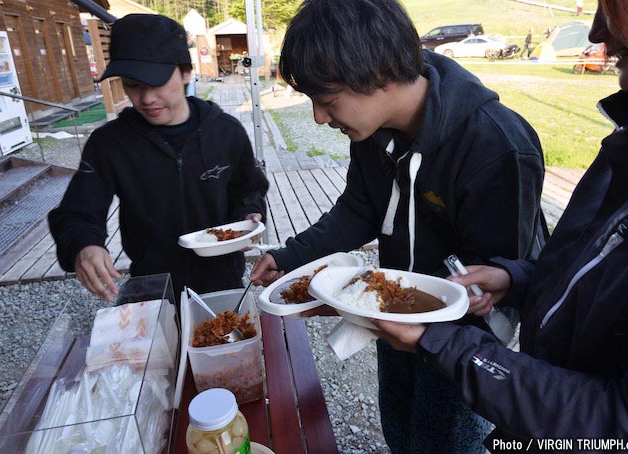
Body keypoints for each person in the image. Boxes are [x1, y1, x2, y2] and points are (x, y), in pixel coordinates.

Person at [249, 0, 547, 452]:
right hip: (391, 318)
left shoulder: (495, 147)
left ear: (381, 73)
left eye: (327, 101)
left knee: (441, 442)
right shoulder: (373, 132)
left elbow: (500, 270)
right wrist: (290, 257)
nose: (319, 118)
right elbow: (358, 209)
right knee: (400, 433)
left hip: (459, 345)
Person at [373, 0, 628, 450]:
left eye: (615, 10)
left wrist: (444, 344)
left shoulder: (496, 145)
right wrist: (516, 278)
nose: (598, 33)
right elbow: (593, 276)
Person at [48, 14, 268, 302]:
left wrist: (249, 215)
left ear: (186, 72)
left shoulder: (226, 132)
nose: (147, 98)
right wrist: (84, 245)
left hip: (223, 281)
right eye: (133, 84)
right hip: (152, 286)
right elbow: (77, 213)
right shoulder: (109, 143)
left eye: (158, 83)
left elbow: (248, 188)